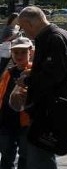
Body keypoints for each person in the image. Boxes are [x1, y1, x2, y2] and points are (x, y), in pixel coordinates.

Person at [9, 6, 67, 169]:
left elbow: (54, 74)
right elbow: (57, 69)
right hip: (52, 105)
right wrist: (33, 73)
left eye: (24, 28)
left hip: (49, 108)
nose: (25, 33)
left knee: (39, 158)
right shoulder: (61, 34)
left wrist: (28, 81)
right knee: (41, 155)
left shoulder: (53, 38)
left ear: (31, 23)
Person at [0, 36, 33, 169]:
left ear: (30, 52)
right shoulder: (8, 73)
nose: (19, 55)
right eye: (16, 52)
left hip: (25, 122)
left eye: (23, 52)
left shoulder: (34, 71)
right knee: (6, 156)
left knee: (25, 156)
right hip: (6, 122)